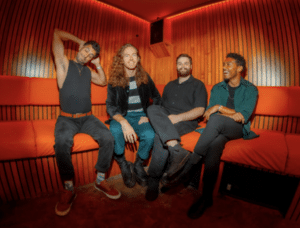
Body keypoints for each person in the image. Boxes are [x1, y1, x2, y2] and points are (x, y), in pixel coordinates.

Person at [164, 53, 259, 219]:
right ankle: (207, 197)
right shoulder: (217, 88)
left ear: (240, 68)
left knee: (216, 119)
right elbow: (208, 114)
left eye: (229, 65)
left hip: (238, 128)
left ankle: (189, 167)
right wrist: (225, 112)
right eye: (224, 64)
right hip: (219, 129)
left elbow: (243, 116)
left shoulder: (250, 89)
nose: (224, 67)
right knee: (215, 145)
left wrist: (220, 108)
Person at [52, 29, 121, 216]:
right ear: (80, 48)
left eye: (91, 55)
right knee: (61, 142)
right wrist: (79, 40)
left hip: (88, 117)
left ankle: (100, 180)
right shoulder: (64, 63)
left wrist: (98, 65)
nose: (87, 55)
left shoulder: (90, 71)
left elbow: (103, 81)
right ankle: (68, 188)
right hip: (67, 118)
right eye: (86, 51)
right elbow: (56, 34)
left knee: (108, 137)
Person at [145, 54, 207, 201]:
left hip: (185, 121)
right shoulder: (169, 85)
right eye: (180, 63)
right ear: (176, 66)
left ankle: (153, 179)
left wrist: (177, 118)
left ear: (191, 67)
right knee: (152, 109)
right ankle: (175, 149)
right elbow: (160, 107)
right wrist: (154, 116)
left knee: (159, 136)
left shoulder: (198, 85)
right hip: (166, 119)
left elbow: (200, 110)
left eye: (186, 63)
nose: (183, 66)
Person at [106, 43, 161, 188]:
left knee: (150, 135)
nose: (131, 58)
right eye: (126, 55)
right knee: (116, 131)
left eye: (134, 54)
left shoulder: (145, 77)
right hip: (121, 116)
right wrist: (123, 122)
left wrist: (149, 115)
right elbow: (110, 106)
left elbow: (157, 98)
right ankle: (123, 163)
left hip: (141, 116)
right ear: (121, 60)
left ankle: (138, 165)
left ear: (138, 58)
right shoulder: (114, 80)